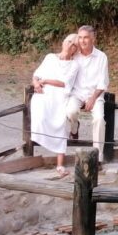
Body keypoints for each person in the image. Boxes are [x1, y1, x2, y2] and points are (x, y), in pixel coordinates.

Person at [31, 34, 80, 178]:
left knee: (59, 124)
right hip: (43, 93)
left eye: (74, 45)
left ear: (76, 50)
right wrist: (36, 83)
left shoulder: (74, 64)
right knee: (40, 118)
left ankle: (60, 165)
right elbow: (36, 74)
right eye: (69, 42)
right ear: (63, 42)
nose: (70, 45)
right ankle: (37, 147)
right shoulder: (50, 57)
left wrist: (45, 81)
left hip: (59, 95)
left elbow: (65, 83)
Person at [65, 25, 109, 161]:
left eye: (86, 38)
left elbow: (103, 82)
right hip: (77, 93)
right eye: (80, 37)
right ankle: (74, 129)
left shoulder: (101, 57)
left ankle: (98, 157)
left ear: (93, 39)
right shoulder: (74, 55)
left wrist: (93, 99)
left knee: (99, 120)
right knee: (70, 112)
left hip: (95, 94)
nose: (82, 41)